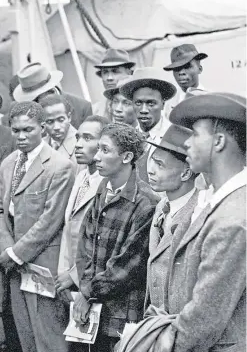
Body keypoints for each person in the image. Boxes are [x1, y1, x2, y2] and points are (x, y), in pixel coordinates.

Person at [155, 92, 246, 352]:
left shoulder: (233, 217)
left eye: (195, 134)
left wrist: (168, 342)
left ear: (218, 142)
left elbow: (206, 317)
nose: (186, 144)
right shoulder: (218, 201)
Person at [74, 123, 159, 352]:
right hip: (94, 313)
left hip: (121, 317)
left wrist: (87, 292)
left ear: (127, 156)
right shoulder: (102, 191)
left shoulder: (146, 203)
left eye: (105, 150)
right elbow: (85, 248)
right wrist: (86, 289)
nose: (97, 156)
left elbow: (127, 267)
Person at [0, 101, 75, 352]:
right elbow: (1, 210)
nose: (21, 136)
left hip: (44, 265)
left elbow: (50, 220)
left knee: (50, 337)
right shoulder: (8, 163)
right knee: (25, 337)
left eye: (28, 130)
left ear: (42, 128)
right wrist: (8, 250)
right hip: (13, 266)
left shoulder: (59, 166)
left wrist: (16, 254)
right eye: (16, 130)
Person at [145, 124, 199, 310]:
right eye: (153, 161)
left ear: (185, 173)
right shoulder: (162, 205)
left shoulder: (198, 214)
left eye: (160, 165)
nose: (150, 170)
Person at [56, 115, 109, 299]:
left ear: (104, 145)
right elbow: (69, 228)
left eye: (87, 138)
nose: (78, 144)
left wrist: (74, 276)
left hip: (92, 283)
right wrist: (64, 272)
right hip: (70, 282)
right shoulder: (81, 177)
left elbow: (100, 244)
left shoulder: (108, 185)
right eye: (77, 137)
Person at [120, 67, 176, 182]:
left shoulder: (174, 137)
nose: (144, 110)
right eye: (138, 103)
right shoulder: (127, 138)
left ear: (163, 104)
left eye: (151, 103)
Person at [12, 62, 92, 129]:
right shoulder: (22, 113)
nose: (37, 102)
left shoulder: (82, 107)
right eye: (33, 99)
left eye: (37, 98)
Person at [163, 44, 208, 118]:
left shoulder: (211, 99)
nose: (181, 73)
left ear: (199, 69)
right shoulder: (168, 102)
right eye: (176, 69)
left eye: (187, 66)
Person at [40, 94, 79, 171]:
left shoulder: (81, 145)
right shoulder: (39, 146)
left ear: (69, 117)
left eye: (61, 120)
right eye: (50, 122)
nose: (56, 127)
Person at [94, 48, 136, 118]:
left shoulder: (139, 107)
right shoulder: (95, 110)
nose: (109, 78)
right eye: (105, 72)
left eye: (115, 71)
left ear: (128, 73)